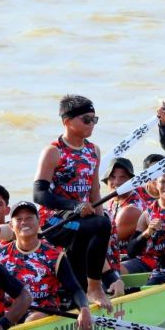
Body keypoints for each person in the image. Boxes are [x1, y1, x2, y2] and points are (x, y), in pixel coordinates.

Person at [33, 95, 113, 311]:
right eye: (86, 120)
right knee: (95, 226)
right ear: (67, 121)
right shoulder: (53, 151)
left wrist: (100, 218)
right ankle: (93, 288)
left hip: (80, 220)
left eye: (94, 119)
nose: (92, 125)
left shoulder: (93, 150)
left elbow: (94, 190)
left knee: (102, 224)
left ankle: (76, 297)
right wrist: (74, 206)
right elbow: (39, 195)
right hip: (54, 222)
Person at [0, 201, 92, 330]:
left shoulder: (55, 256)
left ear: (39, 222)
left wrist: (84, 309)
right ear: (11, 225)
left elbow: (75, 289)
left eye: (29, 218)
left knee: (33, 318)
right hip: (9, 313)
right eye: (19, 219)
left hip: (41, 312)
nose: (24, 222)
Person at [102, 157, 146, 281]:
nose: (117, 182)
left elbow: (106, 240)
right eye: (112, 177)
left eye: (123, 177)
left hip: (141, 258)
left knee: (99, 270)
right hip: (119, 256)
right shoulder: (113, 201)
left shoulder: (130, 210)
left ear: (131, 181)